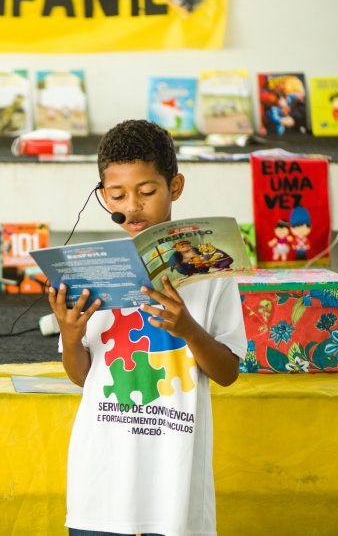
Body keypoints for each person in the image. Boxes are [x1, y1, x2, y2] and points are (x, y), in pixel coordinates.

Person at [47, 120, 247, 536]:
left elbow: (227, 373)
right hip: (101, 476)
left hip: (173, 476)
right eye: (118, 195)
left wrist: (188, 329)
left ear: (175, 186)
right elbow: (84, 377)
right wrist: (69, 337)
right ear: (103, 196)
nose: (132, 206)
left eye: (147, 191)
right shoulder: (97, 269)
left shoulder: (211, 271)